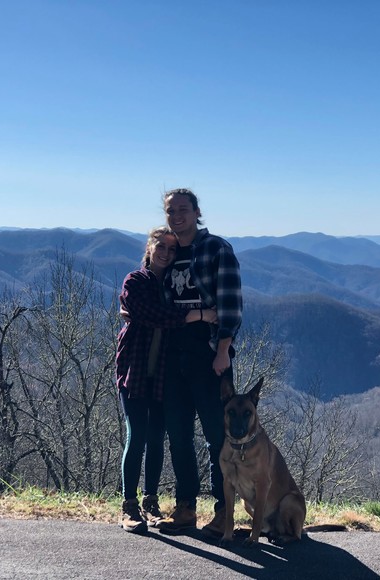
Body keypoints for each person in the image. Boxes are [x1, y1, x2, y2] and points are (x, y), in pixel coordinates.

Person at [115, 226, 217, 534]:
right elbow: (153, 314)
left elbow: (158, 314)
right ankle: (129, 505)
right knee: (136, 436)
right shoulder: (135, 280)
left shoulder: (173, 283)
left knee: (157, 438)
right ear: (149, 247)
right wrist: (197, 315)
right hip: (134, 371)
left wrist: (179, 315)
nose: (166, 253)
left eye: (172, 249)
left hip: (163, 373)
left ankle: (150, 502)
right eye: (161, 246)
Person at [155, 188, 243, 537]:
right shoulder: (167, 251)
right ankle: (186, 508)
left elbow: (231, 304)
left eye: (183, 209)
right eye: (170, 211)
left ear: (196, 212)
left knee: (217, 437)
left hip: (208, 354)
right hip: (172, 354)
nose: (176, 216)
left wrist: (223, 349)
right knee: (178, 436)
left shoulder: (216, 249)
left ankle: (224, 511)